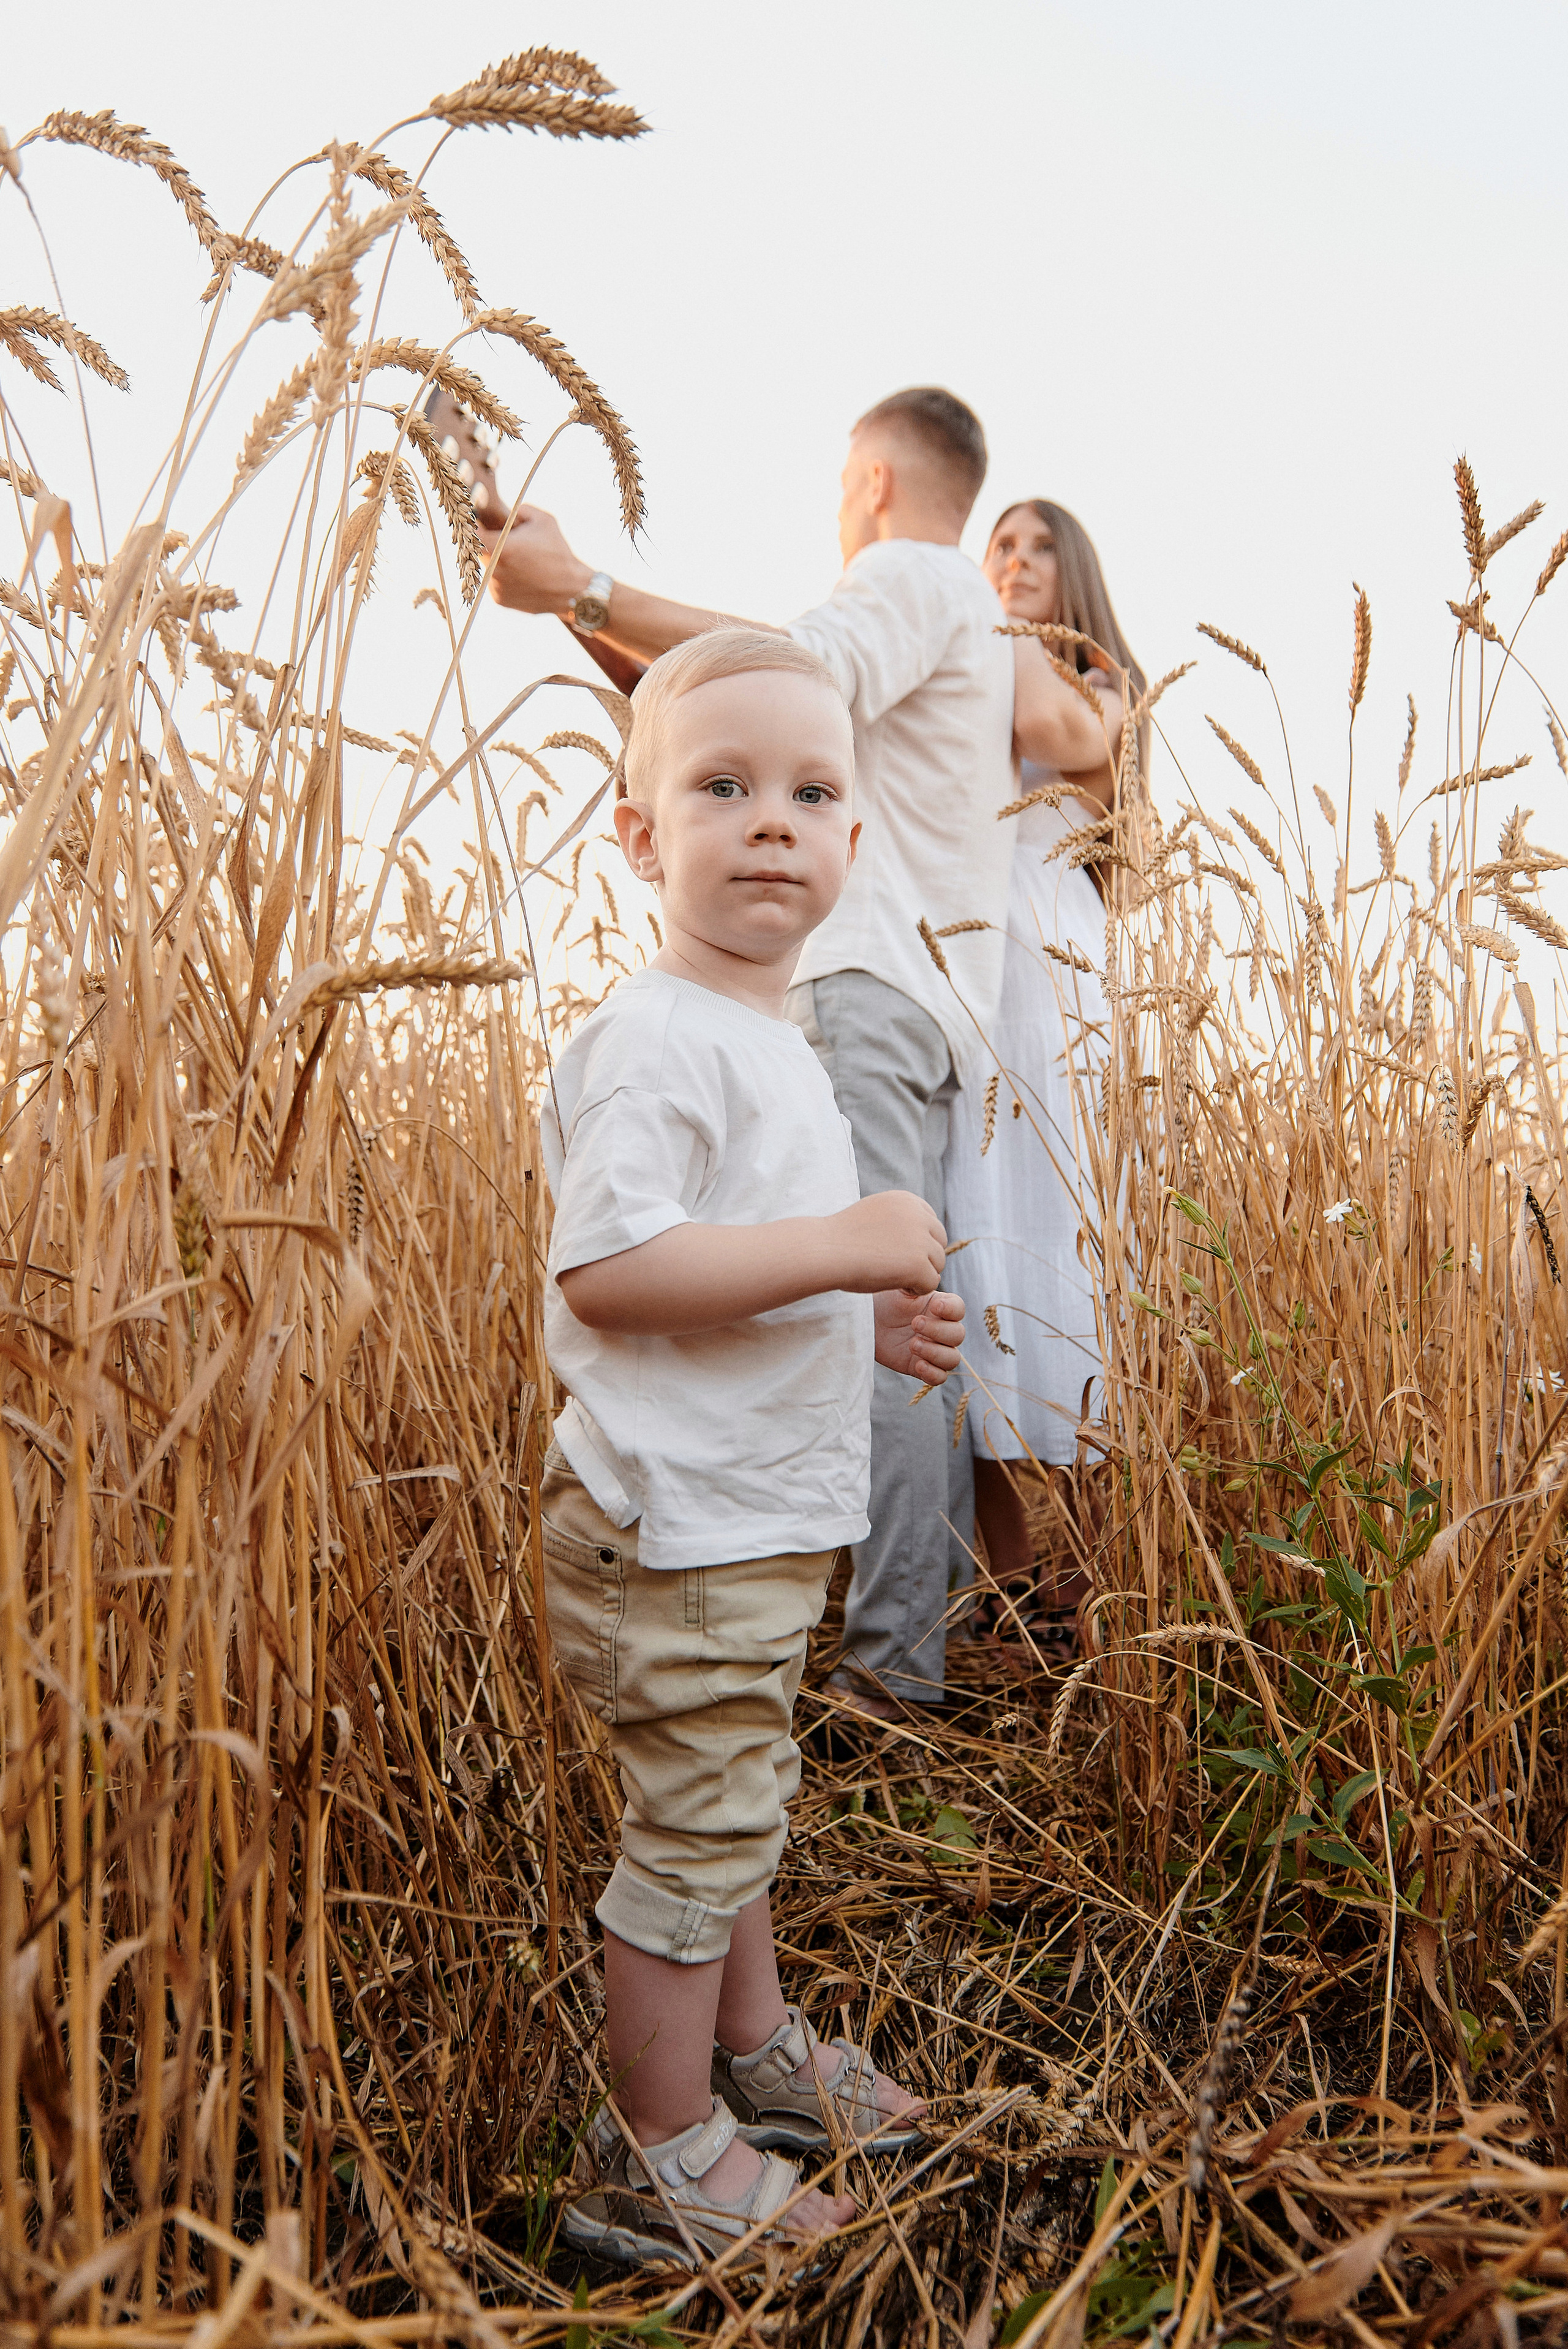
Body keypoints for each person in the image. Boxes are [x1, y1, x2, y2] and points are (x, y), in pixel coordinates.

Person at [487, 390, 1113, 1722]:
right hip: (929, 1011)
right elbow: (743, 713)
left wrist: (583, 580)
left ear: (874, 480)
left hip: (862, 997)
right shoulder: (976, 627)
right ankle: (909, 1646)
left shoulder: (905, 572)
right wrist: (576, 613)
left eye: (840, 481)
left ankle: (891, 1679)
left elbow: (784, 673)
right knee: (898, 1325)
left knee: (863, 1328)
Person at [540, 628, 967, 2266]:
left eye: (810, 791)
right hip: (677, 1531)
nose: (772, 820)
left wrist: (862, 1315)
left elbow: (738, 1268)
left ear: (856, 844)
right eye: (724, 788)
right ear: (642, 835)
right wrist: (847, 1245)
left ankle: (756, 2046)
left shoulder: (775, 1043)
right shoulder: (657, 1036)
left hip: (746, 1527)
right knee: (695, 1828)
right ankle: (653, 2151)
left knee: (741, 1802)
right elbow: (617, 1272)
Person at [943, 500, 1144, 1645]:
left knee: (1064, 1241)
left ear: (1076, 569)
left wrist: (990, 617)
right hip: (973, 959)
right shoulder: (987, 672)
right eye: (995, 547)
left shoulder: (1098, 680)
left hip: (1054, 968)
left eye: (1033, 547)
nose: (1009, 563)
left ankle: (1105, 1560)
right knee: (984, 1241)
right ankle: (1010, 1581)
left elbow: (1064, 740)